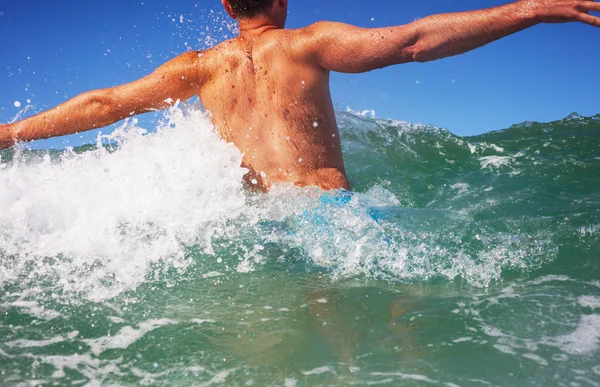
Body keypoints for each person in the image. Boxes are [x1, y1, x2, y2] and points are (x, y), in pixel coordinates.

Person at [0, 0, 597, 191]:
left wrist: (6, 134)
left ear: (228, 6)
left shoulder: (198, 67)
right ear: (281, 0)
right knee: (389, 320)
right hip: (326, 212)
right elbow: (411, 43)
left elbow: (104, 104)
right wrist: (533, 9)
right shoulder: (307, 43)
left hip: (256, 221)